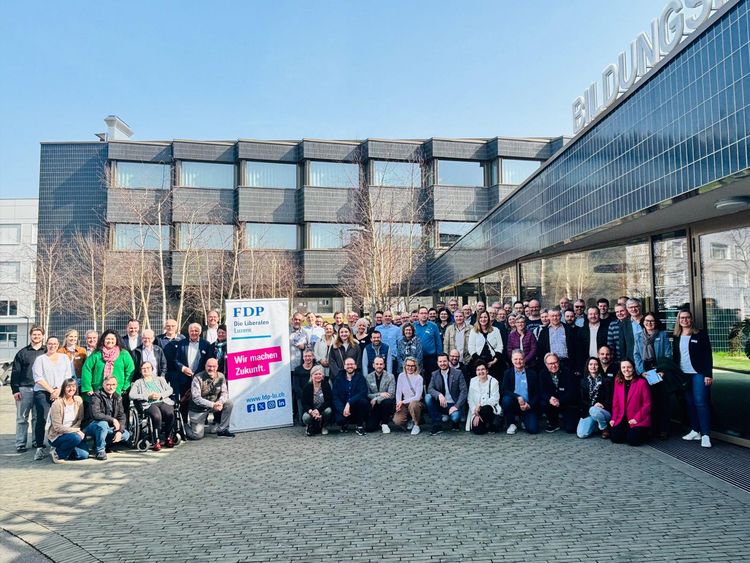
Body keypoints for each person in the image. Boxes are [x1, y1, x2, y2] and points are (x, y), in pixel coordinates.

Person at [674, 309, 713, 448]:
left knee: (700, 402)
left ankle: (706, 434)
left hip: (698, 373)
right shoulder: (677, 336)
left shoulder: (700, 334)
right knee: (689, 403)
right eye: (682, 318)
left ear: (691, 319)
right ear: (678, 320)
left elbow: (707, 355)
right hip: (683, 374)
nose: (684, 320)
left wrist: (708, 374)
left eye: (687, 317)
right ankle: (695, 431)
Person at [32, 337, 72, 460]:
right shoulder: (40, 359)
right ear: (46, 344)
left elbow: (68, 376)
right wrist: (51, 391)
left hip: (60, 391)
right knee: (42, 418)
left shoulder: (64, 358)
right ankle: (39, 447)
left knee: (60, 419)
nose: (52, 346)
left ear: (58, 345)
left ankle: (56, 444)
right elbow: (38, 378)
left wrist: (59, 390)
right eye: (50, 343)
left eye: (55, 344)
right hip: (43, 392)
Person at [634, 312, 673, 439]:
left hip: (659, 370)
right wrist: (641, 372)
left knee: (662, 400)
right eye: (646, 320)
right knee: (648, 400)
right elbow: (636, 355)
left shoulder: (662, 335)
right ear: (643, 322)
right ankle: (651, 428)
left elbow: (668, 354)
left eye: (652, 321)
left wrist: (663, 370)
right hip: (645, 371)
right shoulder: (638, 336)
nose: (649, 323)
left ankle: (663, 429)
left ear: (656, 322)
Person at [11, 325, 45, 453]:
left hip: (40, 389)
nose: (36, 337)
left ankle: (37, 442)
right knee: (22, 418)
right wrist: (15, 390)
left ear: (43, 336)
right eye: (34, 334)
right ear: (30, 336)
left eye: (39, 334)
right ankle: (20, 443)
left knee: (37, 417)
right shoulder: (22, 353)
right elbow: (15, 372)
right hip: (24, 389)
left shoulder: (46, 352)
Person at [129, 362, 176, 450]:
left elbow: (170, 390)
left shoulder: (160, 379)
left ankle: (168, 437)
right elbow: (131, 395)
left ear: (152, 369)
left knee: (170, 413)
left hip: (162, 400)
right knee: (156, 416)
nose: (146, 370)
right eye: (143, 368)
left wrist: (161, 395)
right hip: (149, 404)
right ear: (140, 371)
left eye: (148, 368)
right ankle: (156, 440)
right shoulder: (138, 382)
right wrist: (147, 396)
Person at [186, 358, 235, 439]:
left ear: (217, 367)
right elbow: (196, 398)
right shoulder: (197, 378)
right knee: (197, 436)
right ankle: (185, 426)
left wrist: (220, 402)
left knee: (229, 403)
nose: (211, 368)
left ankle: (222, 430)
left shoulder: (221, 376)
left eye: (214, 366)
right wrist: (213, 404)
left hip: (213, 406)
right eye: (209, 366)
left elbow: (224, 393)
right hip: (198, 409)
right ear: (205, 366)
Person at [85, 374, 131, 460]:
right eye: (108, 384)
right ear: (103, 384)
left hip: (108, 428)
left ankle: (104, 444)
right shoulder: (96, 395)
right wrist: (112, 420)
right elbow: (96, 414)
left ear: (116, 385)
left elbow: (121, 416)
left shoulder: (118, 397)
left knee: (125, 434)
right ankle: (100, 451)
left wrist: (119, 431)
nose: (111, 387)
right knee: (103, 424)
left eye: (113, 384)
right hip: (93, 425)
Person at [169, 323, 211, 417]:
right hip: (184, 378)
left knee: (200, 400)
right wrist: (183, 368)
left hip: (200, 378)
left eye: (196, 331)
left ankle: (201, 420)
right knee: (184, 401)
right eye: (192, 331)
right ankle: (183, 421)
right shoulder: (181, 343)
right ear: (188, 332)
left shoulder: (206, 344)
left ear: (200, 332)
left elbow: (208, 361)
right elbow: (176, 360)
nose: (194, 333)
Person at [81, 330, 135, 400]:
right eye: (107, 339)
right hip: (98, 390)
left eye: (112, 339)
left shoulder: (124, 354)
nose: (110, 341)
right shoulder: (96, 354)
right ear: (103, 340)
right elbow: (87, 369)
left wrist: (125, 387)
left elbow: (130, 370)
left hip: (118, 390)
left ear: (116, 340)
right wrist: (88, 387)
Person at [609, 359, 651, 446]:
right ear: (620, 369)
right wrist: (613, 418)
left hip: (638, 418)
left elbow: (647, 404)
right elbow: (615, 403)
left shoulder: (642, 383)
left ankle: (643, 432)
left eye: (629, 367)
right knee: (615, 438)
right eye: (623, 367)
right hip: (622, 417)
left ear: (633, 368)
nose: (626, 370)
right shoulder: (618, 381)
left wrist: (636, 419)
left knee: (633, 441)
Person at [46, 378, 89, 464]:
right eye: (68, 387)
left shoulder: (78, 400)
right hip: (58, 435)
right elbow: (57, 427)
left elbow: (80, 419)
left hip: (73, 434)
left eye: (73, 386)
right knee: (76, 438)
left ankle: (67, 450)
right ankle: (57, 453)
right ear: (63, 388)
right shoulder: (57, 404)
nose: (71, 389)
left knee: (83, 455)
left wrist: (75, 430)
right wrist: (76, 430)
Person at [501, 349, 542, 435]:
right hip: (514, 404)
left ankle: (523, 419)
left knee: (533, 430)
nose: (518, 361)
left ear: (524, 359)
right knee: (506, 400)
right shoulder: (507, 373)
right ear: (512, 360)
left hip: (527, 406)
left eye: (520, 359)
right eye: (515, 359)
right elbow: (504, 390)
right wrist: (517, 397)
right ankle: (511, 423)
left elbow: (537, 393)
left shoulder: (532, 374)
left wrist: (529, 405)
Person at [426, 353, 468, 435]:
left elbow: (464, 391)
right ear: (437, 363)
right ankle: (437, 424)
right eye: (440, 361)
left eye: (444, 361)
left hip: (453, 404)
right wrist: (439, 395)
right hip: (441, 403)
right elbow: (430, 389)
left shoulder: (458, 373)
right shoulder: (434, 374)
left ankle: (454, 422)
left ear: (448, 361)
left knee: (455, 418)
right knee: (428, 397)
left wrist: (456, 406)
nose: (442, 363)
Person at [540, 352, 578, 433]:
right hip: (552, 403)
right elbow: (541, 391)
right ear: (546, 364)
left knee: (570, 429)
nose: (553, 366)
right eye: (550, 364)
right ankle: (553, 423)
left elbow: (572, 392)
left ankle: (565, 419)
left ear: (559, 362)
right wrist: (550, 398)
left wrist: (560, 400)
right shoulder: (542, 374)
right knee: (543, 403)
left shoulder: (567, 372)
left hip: (566, 402)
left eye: (555, 362)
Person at [577, 357, 613, 439]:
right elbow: (581, 400)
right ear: (587, 366)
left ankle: (604, 428)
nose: (593, 366)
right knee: (581, 434)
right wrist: (593, 405)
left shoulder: (606, 381)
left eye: (596, 364)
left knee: (594, 410)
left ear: (599, 366)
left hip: (604, 411)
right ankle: (596, 424)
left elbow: (610, 399)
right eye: (591, 364)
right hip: (589, 411)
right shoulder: (583, 382)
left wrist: (602, 404)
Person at [332, 357, 369, 435]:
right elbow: (335, 396)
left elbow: (363, 393)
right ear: (344, 366)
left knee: (363, 401)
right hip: (343, 407)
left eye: (352, 364)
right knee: (339, 420)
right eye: (348, 364)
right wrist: (342, 409)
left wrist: (349, 402)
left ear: (355, 366)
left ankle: (359, 426)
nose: (350, 366)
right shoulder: (338, 378)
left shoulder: (360, 377)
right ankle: (345, 423)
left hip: (356, 407)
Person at [466, 362, 500, 434]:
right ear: (476, 372)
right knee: (478, 431)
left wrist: (480, 406)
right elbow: (470, 399)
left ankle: (491, 424)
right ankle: (485, 426)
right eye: (478, 370)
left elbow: (495, 399)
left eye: (483, 369)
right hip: (475, 411)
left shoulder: (494, 382)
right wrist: (475, 411)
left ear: (487, 371)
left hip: (489, 410)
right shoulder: (473, 381)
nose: (481, 372)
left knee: (486, 408)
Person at [468, 310, 503, 380]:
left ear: (488, 318)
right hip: (478, 361)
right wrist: (479, 362)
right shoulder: (473, 331)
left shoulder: (495, 330)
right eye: (481, 317)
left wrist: (494, 361)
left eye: (485, 317)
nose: (483, 319)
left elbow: (500, 346)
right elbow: (471, 347)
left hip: (493, 361)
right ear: (478, 319)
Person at [393, 356, 423, 435]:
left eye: (412, 366)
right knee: (397, 421)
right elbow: (398, 392)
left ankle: (416, 425)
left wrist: (402, 401)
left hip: (415, 403)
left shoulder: (419, 378)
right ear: (405, 366)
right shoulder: (401, 376)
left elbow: (417, 397)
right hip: (404, 403)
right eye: (408, 365)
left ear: (415, 367)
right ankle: (409, 420)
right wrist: (398, 403)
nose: (410, 368)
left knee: (413, 405)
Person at [365, 357, 395, 433]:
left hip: (385, 405)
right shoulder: (368, 377)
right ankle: (378, 421)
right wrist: (380, 394)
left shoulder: (390, 377)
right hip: (374, 406)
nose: (379, 366)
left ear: (384, 365)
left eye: (381, 364)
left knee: (388, 402)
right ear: (373, 365)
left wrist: (376, 398)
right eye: (377, 364)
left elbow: (391, 394)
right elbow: (367, 394)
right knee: (369, 428)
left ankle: (384, 423)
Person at [301, 365, 333, 436]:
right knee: (306, 417)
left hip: (322, 409)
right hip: (311, 411)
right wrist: (311, 411)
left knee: (328, 410)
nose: (318, 376)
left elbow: (328, 401)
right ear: (312, 375)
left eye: (319, 374)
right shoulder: (307, 387)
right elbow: (304, 403)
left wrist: (318, 411)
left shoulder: (326, 385)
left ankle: (324, 426)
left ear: (322, 375)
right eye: (315, 374)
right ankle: (309, 426)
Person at [413, 306, 443, 382]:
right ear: (418, 315)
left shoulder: (433, 326)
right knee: (417, 379)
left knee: (431, 378)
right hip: (417, 357)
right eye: (421, 313)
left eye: (425, 313)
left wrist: (439, 356)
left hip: (431, 358)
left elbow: (438, 342)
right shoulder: (414, 326)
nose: (424, 315)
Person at [576, 307, 608, 374]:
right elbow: (578, 350)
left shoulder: (607, 328)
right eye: (590, 314)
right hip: (587, 363)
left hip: (603, 362)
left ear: (599, 315)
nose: (593, 316)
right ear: (587, 316)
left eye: (595, 314)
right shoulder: (581, 331)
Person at [292, 350, 316, 423]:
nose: (307, 358)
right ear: (303, 358)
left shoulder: (316, 368)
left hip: (315, 395)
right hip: (301, 396)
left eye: (309, 356)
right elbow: (296, 386)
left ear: (313, 357)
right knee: (303, 421)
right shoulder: (297, 369)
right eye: (305, 356)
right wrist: (304, 396)